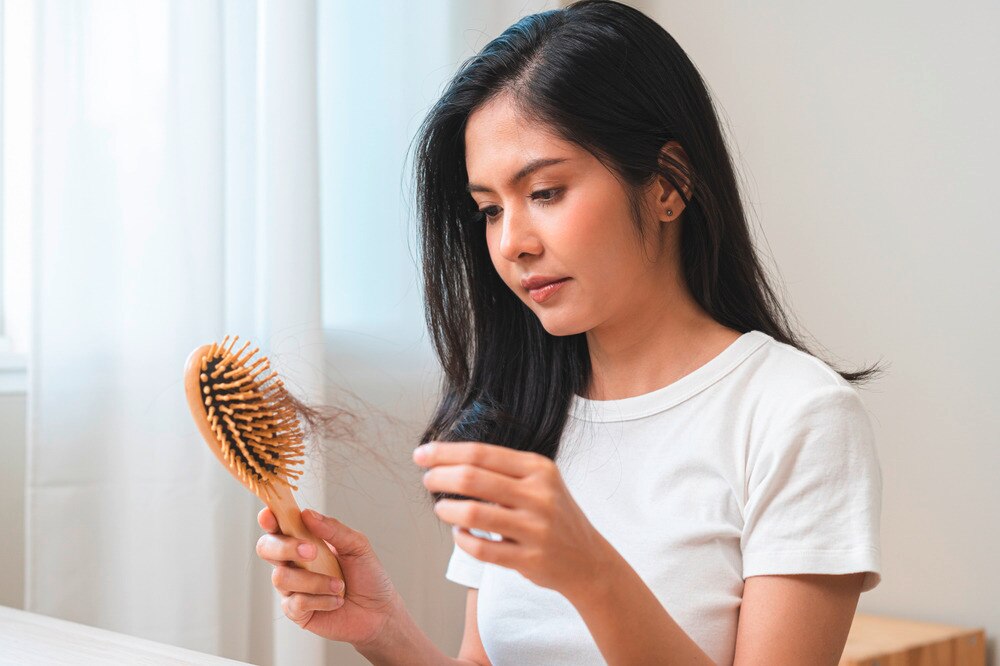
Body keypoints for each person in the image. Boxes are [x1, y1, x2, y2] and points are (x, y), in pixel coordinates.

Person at [254, 1, 885, 663]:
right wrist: (382, 629)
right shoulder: (519, 410)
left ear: (668, 182)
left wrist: (591, 571)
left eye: (546, 192)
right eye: (490, 210)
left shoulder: (795, 415)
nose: (512, 244)